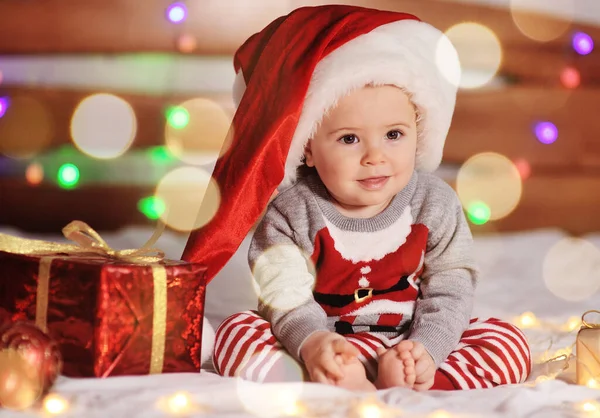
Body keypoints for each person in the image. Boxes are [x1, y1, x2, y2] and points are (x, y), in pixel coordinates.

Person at [183, 4, 531, 391]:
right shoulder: (291, 212)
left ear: (419, 132)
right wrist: (314, 343)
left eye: (394, 134)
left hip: (408, 340)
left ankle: (422, 380)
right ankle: (335, 376)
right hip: (321, 342)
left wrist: (426, 350)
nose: (375, 156)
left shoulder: (435, 203)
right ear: (308, 149)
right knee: (236, 332)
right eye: (349, 138)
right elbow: (284, 294)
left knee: (506, 340)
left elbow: (451, 286)